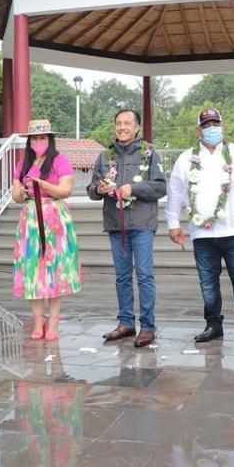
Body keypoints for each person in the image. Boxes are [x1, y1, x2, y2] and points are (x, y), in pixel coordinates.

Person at [166, 108, 234, 349]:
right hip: (202, 233)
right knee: (207, 282)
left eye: (216, 124)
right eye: (207, 125)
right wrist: (173, 224)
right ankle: (214, 325)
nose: (212, 129)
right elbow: (176, 193)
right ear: (199, 130)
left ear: (223, 127)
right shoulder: (186, 158)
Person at [87, 109, 167, 348]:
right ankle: (126, 322)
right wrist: (99, 190)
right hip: (115, 224)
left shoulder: (150, 154)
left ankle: (148, 326)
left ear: (137, 128)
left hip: (142, 223)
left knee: (144, 275)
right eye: (118, 123)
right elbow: (91, 190)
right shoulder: (104, 156)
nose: (122, 127)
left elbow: (160, 188)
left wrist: (133, 189)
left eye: (127, 123)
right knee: (122, 277)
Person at [11, 119, 82, 340]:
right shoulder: (23, 163)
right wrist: (23, 191)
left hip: (55, 218)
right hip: (30, 219)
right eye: (35, 138)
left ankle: (54, 319)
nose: (39, 142)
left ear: (50, 140)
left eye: (42, 138)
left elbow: (65, 190)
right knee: (32, 269)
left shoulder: (60, 161)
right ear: (29, 141)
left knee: (55, 269)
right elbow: (15, 196)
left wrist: (42, 184)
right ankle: (37, 319)